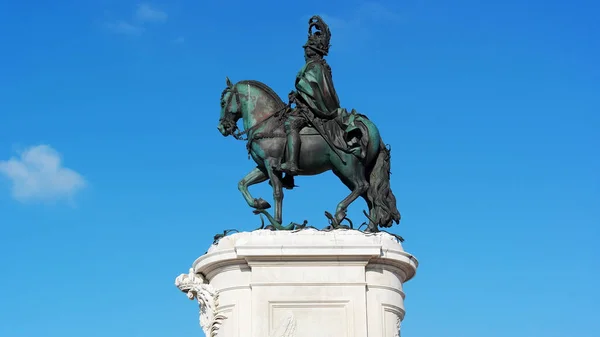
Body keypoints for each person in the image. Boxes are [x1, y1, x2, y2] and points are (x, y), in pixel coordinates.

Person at [280, 16, 343, 175]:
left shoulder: (316, 66)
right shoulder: (316, 66)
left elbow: (314, 88)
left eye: (307, 49)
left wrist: (299, 91)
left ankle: (292, 164)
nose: (304, 52)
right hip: (305, 106)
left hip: (313, 110)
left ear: (312, 51)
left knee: (291, 125)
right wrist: (298, 94)